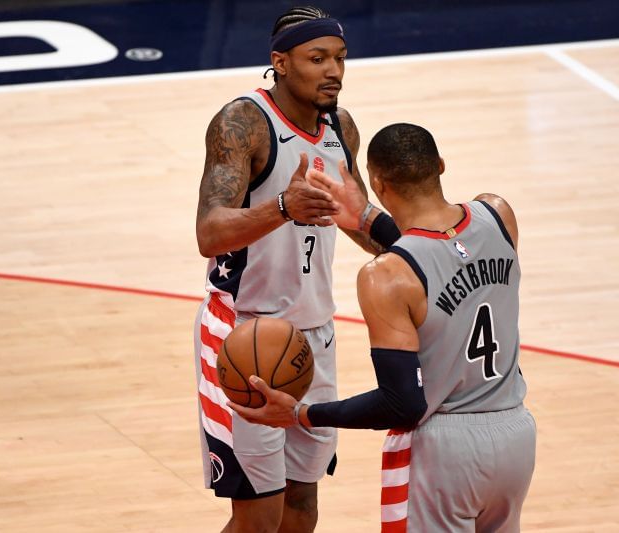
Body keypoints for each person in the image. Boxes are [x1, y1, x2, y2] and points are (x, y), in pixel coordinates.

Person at [230, 123, 537, 532]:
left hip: (444, 447)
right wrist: (368, 219)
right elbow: (443, 256)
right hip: (515, 435)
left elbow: (403, 404)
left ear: (377, 182)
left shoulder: (385, 276)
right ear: (440, 165)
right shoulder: (498, 214)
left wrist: (302, 414)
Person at [194, 6, 385, 532]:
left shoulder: (340, 127)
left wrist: (420, 248)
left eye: (341, 58)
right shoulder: (243, 124)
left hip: (316, 334)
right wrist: (282, 208)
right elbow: (209, 233)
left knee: (302, 508)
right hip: (244, 332)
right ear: (280, 62)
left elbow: (355, 219)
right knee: (259, 515)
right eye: (317, 58)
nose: (334, 71)